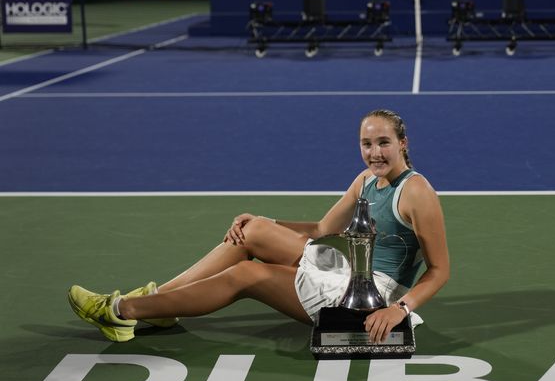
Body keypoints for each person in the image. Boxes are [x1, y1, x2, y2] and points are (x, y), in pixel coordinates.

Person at [68, 109, 450, 344]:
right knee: (253, 232)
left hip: (374, 295)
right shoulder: (365, 179)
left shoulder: (417, 192)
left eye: (384, 143)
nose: (374, 152)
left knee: (247, 274)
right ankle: (161, 304)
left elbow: (439, 270)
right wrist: (263, 221)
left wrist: (399, 309)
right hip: (348, 271)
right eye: (366, 144)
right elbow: (320, 228)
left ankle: (121, 310)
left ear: (403, 143)